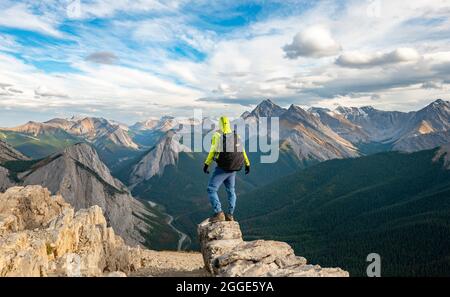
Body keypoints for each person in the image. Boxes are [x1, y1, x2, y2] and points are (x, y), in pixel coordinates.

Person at [203, 116, 250, 222]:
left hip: (222, 169)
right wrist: (247, 164)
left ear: (220, 124)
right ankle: (230, 215)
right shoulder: (235, 135)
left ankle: (219, 213)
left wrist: (207, 164)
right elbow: (242, 151)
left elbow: (212, 151)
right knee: (231, 191)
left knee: (211, 189)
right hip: (233, 168)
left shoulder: (217, 135)